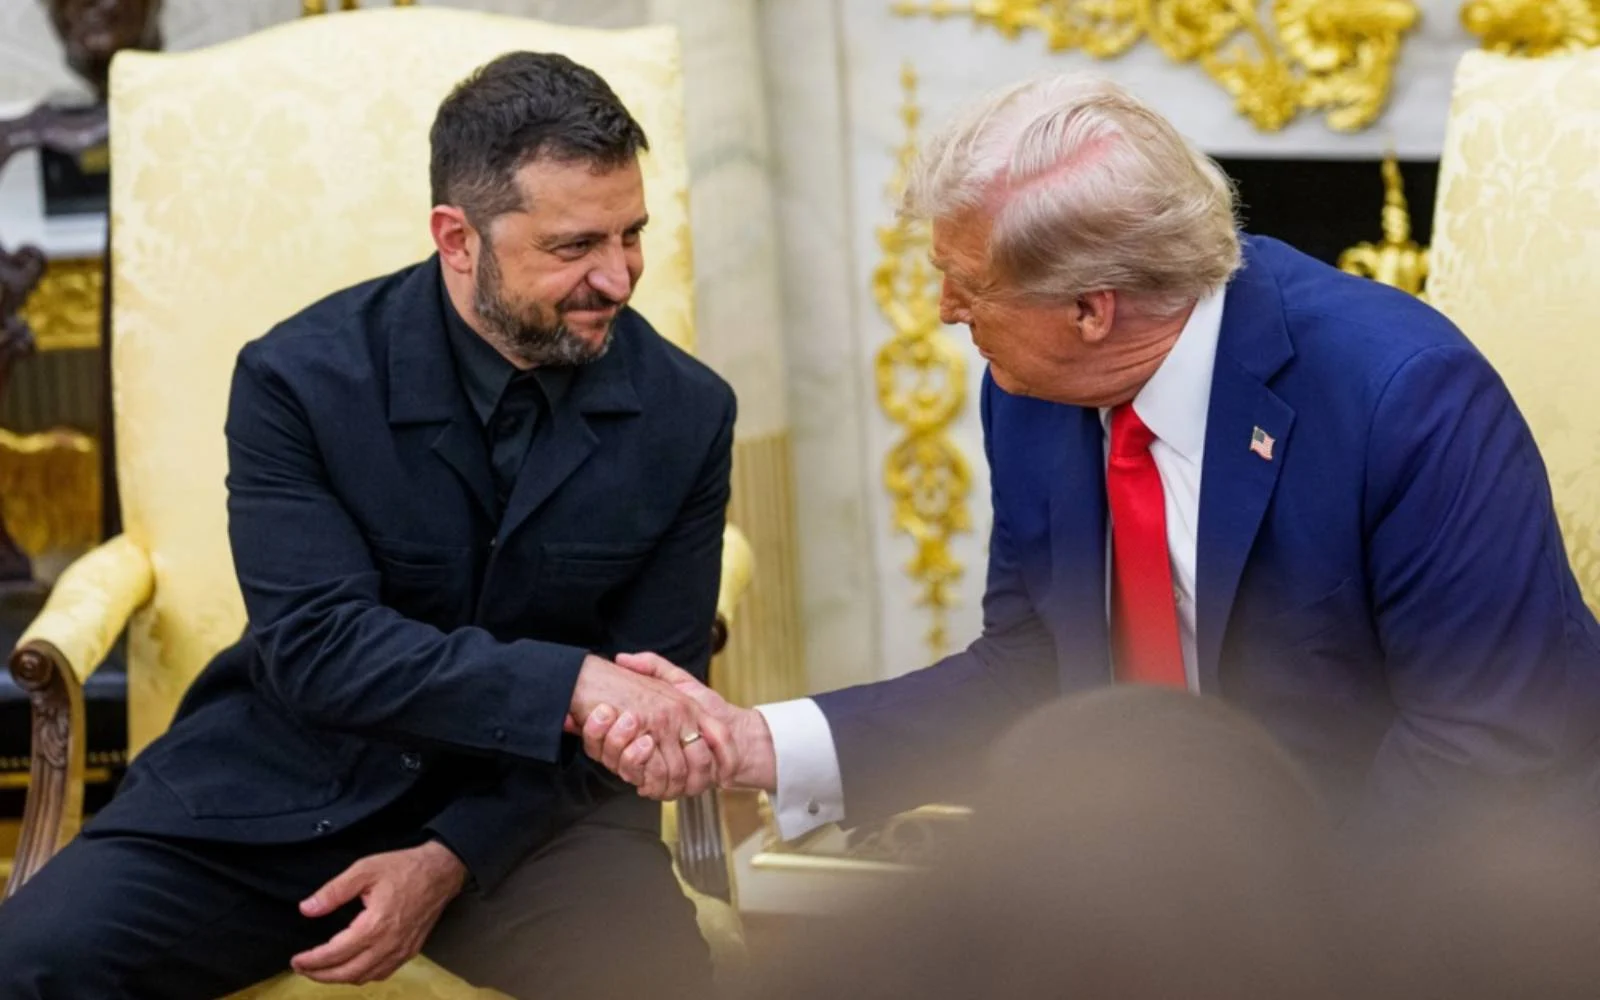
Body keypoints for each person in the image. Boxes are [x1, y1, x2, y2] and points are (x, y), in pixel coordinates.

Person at [585, 72, 1600, 848]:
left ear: (1089, 308)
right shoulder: (1036, 393)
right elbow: (1033, 668)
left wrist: (1281, 934)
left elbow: (1483, 747)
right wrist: (762, 743)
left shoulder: (1403, 397)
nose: (945, 310)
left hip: (1434, 889)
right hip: (1180, 884)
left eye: (965, 283)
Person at [0, 52, 735, 999]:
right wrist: (572, 681)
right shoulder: (296, 379)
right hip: (280, 788)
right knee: (24, 967)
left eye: (632, 234)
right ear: (456, 237)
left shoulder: (689, 413)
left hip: (527, 819)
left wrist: (449, 858)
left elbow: (650, 707)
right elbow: (317, 645)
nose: (619, 276)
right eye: (573, 246)